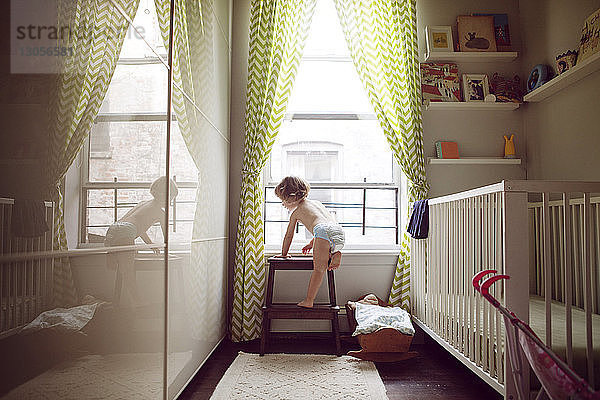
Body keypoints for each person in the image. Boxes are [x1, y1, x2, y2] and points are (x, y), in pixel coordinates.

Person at [104, 176, 178, 306]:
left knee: (120, 266)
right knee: (128, 270)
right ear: (166, 196)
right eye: (171, 198)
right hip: (126, 232)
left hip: (114, 229)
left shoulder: (143, 203)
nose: (171, 202)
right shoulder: (161, 213)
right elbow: (166, 238)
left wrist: (150, 244)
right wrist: (166, 249)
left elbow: (139, 227)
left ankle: (126, 300)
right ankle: (137, 301)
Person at [274, 176, 345, 308]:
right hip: (338, 231)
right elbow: (325, 226)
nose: (283, 204)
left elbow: (289, 236)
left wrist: (284, 254)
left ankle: (309, 300)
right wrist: (312, 243)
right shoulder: (317, 203)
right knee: (325, 243)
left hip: (322, 231)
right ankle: (335, 252)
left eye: (283, 201)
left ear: (291, 198)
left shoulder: (296, 213)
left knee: (319, 269)